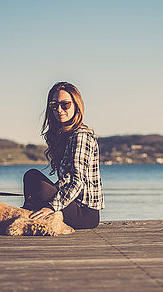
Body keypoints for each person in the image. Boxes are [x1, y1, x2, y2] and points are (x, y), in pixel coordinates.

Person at [22, 82, 104, 229]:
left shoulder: (81, 136)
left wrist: (52, 207)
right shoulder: (66, 135)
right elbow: (65, 181)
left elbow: (77, 181)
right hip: (70, 204)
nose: (59, 109)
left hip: (85, 213)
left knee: (39, 186)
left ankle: (28, 216)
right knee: (32, 176)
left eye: (65, 104)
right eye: (54, 105)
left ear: (76, 105)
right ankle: (28, 214)